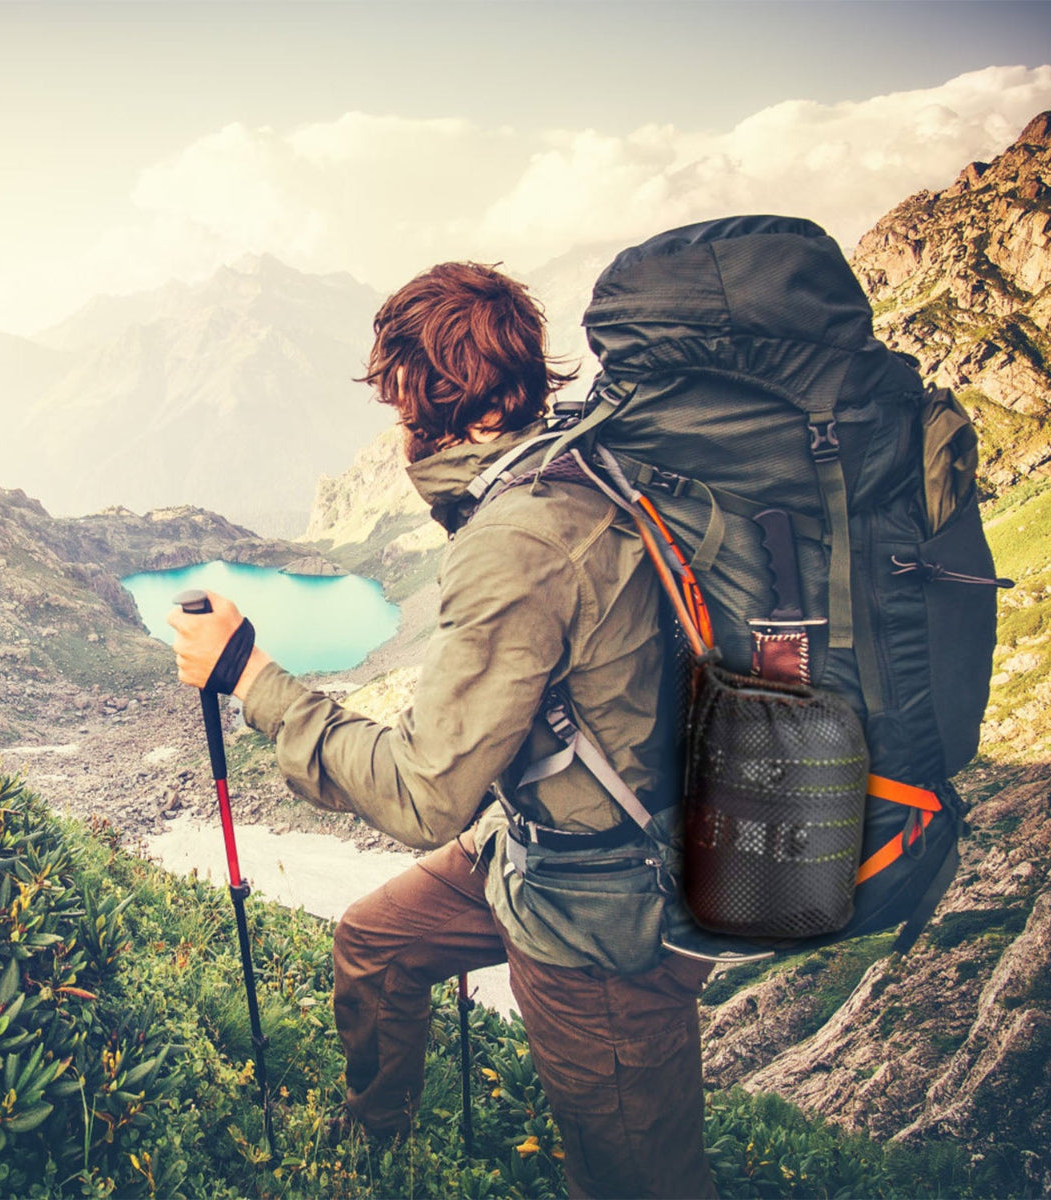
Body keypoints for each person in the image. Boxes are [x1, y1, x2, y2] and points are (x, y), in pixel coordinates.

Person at [167, 262, 718, 1199]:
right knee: (376, 945)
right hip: (534, 843)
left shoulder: (520, 540)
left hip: (604, 911)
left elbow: (426, 794)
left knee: (634, 1180)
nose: (401, 429)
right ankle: (375, 1144)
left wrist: (248, 676)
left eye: (411, 405)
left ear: (461, 405)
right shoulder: (566, 465)